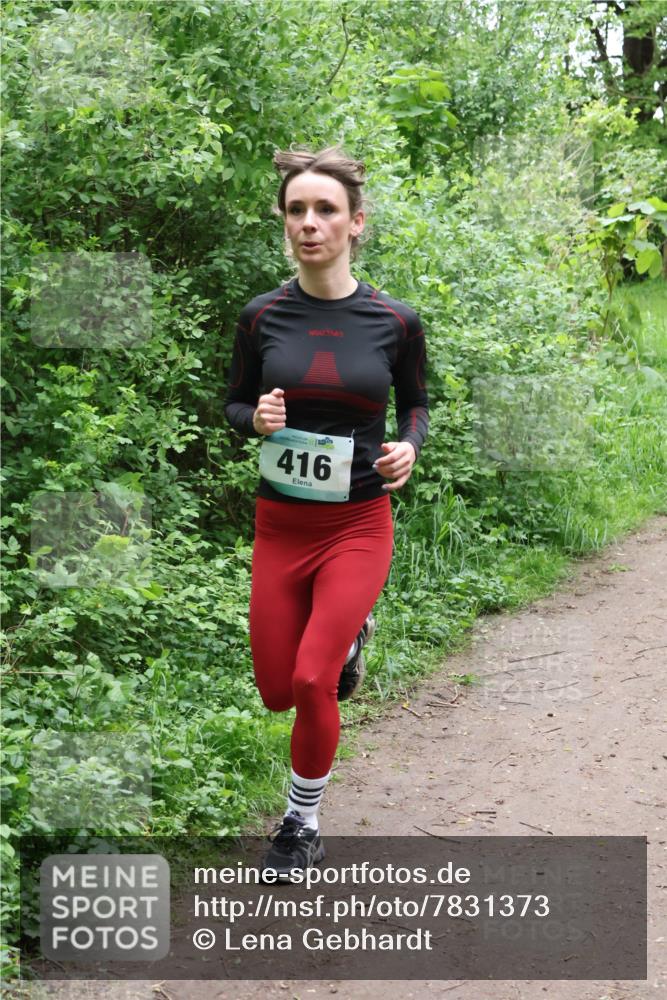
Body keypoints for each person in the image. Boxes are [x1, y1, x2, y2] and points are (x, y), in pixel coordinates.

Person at [224, 144, 428, 877]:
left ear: (355, 223)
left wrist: (407, 448)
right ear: (283, 223)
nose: (309, 223)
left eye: (325, 210)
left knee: (313, 683)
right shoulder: (261, 316)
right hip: (280, 525)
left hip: (356, 524)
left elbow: (416, 407)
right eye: (296, 211)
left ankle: (299, 824)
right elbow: (232, 403)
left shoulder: (394, 321)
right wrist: (256, 420)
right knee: (278, 690)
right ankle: (342, 647)